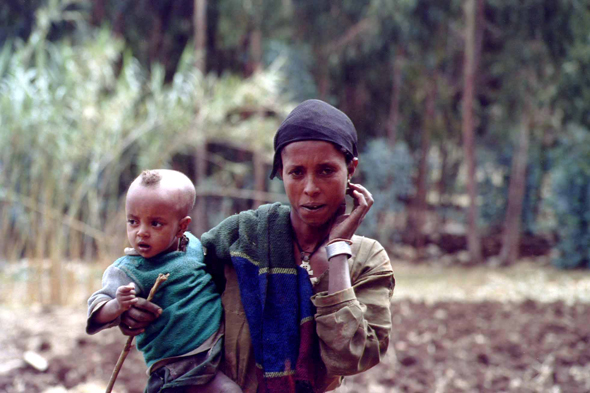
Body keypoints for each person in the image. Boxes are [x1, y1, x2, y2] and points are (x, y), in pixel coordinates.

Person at [120, 100, 395, 393]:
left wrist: (338, 249)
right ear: (280, 171)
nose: (311, 187)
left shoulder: (368, 260)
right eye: (297, 172)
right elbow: (177, 283)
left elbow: (350, 358)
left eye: (326, 171)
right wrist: (131, 311)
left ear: (350, 168)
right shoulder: (242, 237)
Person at [86, 169, 241, 393]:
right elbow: (97, 308)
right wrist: (117, 305)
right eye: (133, 221)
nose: (141, 232)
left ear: (181, 227)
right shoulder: (128, 270)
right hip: (179, 364)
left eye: (155, 224)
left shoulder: (193, 246)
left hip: (218, 346)